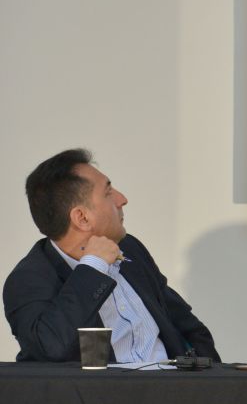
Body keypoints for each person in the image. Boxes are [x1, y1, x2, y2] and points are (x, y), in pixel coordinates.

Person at [3, 149, 220, 363]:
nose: (122, 199)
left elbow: (187, 325)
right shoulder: (27, 280)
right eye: (108, 193)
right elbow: (50, 348)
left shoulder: (130, 248)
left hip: (173, 389)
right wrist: (93, 268)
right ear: (82, 218)